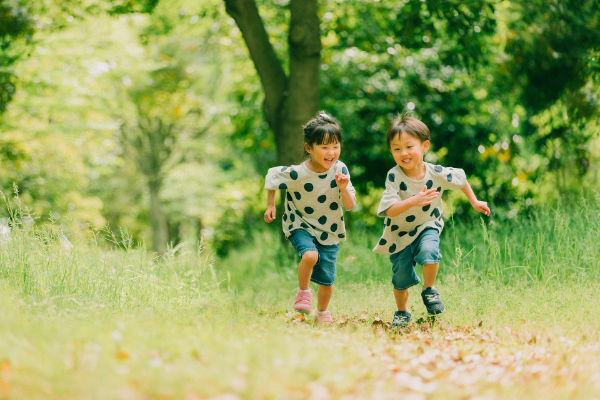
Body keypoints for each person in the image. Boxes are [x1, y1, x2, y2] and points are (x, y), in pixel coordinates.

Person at [373, 114, 490, 328]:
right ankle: (402, 311)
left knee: (429, 252)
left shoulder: (435, 172)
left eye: (409, 146)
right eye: (397, 149)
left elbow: (460, 178)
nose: (404, 153)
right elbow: (389, 210)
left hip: (428, 224)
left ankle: (429, 289)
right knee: (400, 278)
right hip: (399, 233)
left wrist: (474, 201)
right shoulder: (394, 175)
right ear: (391, 151)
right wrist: (413, 200)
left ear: (424, 146)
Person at [264, 111, 356, 324]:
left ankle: (322, 312)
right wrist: (270, 205)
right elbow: (272, 175)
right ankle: (303, 291)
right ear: (309, 148)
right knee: (310, 256)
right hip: (300, 223)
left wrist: (343, 188)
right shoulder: (298, 173)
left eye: (335, 146)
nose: (331, 152)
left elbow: (350, 205)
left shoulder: (340, 169)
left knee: (327, 280)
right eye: (324, 147)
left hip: (330, 228)